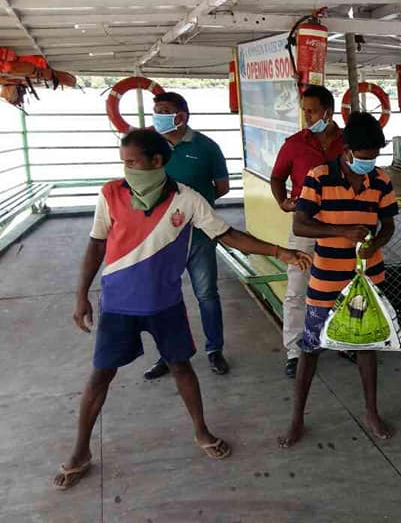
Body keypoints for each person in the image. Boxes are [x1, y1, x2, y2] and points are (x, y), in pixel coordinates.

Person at [53, 129, 311, 491]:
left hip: (165, 304)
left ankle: (202, 432)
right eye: (123, 162)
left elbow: (228, 235)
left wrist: (279, 252)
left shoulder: (186, 200)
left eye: (133, 162)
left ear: (157, 162)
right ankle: (80, 451)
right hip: (117, 305)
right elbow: (96, 244)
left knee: (181, 366)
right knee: (100, 376)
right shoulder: (109, 194)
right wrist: (81, 294)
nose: (126, 169)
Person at [278, 112, 398, 445]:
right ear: (346, 150)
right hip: (327, 279)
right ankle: (297, 418)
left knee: (366, 345)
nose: (369, 163)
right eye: (364, 157)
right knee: (311, 347)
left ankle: (371, 411)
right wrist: (341, 231)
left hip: (366, 277)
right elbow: (300, 225)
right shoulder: (318, 177)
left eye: (374, 156)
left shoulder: (381, 181)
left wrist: (376, 242)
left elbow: (387, 223)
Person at [144, 92, 232, 379]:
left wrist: (198, 206)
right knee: (164, 296)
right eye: (155, 110)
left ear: (181, 116)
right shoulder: (150, 148)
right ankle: (167, 355)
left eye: (163, 111)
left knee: (207, 294)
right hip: (162, 238)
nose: (157, 115)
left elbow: (222, 187)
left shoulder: (206, 147)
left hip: (199, 235)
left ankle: (214, 349)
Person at [271, 85, 345, 378]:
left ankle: (344, 342)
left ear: (328, 112)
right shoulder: (294, 143)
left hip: (341, 224)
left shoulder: (347, 142)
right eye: (304, 110)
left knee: (343, 285)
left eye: (311, 110)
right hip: (304, 224)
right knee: (298, 288)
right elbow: (277, 177)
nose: (306, 115)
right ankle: (295, 351)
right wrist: (282, 202)